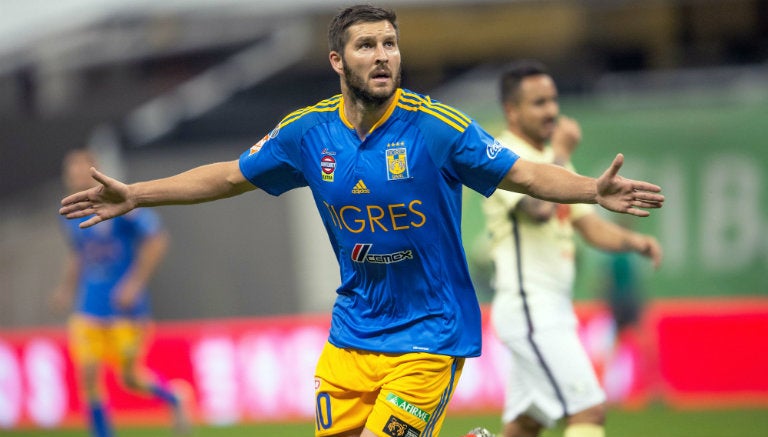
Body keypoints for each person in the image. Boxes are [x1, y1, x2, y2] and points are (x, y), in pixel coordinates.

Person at [59, 6, 663, 437]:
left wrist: (591, 189)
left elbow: (525, 175)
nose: (383, 57)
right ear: (337, 60)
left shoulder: (438, 128)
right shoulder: (306, 132)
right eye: (367, 46)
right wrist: (137, 193)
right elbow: (227, 176)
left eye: (390, 45)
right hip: (352, 333)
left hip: (429, 332)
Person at [482, 60, 663, 437]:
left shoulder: (551, 157)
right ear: (511, 110)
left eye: (553, 100)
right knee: (589, 410)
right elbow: (539, 209)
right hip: (529, 305)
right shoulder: (501, 155)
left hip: (552, 307)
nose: (551, 110)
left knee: (526, 424)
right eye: (538, 103)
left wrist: (635, 242)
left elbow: (588, 226)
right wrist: (560, 153)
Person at [52, 149, 191, 437]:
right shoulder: (68, 213)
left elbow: (157, 240)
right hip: (89, 307)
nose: (74, 174)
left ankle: (174, 398)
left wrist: (134, 283)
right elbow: (78, 254)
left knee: (129, 378)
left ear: (94, 170)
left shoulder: (120, 202)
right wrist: (66, 289)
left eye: (80, 168)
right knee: (88, 374)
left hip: (125, 310)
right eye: (70, 169)